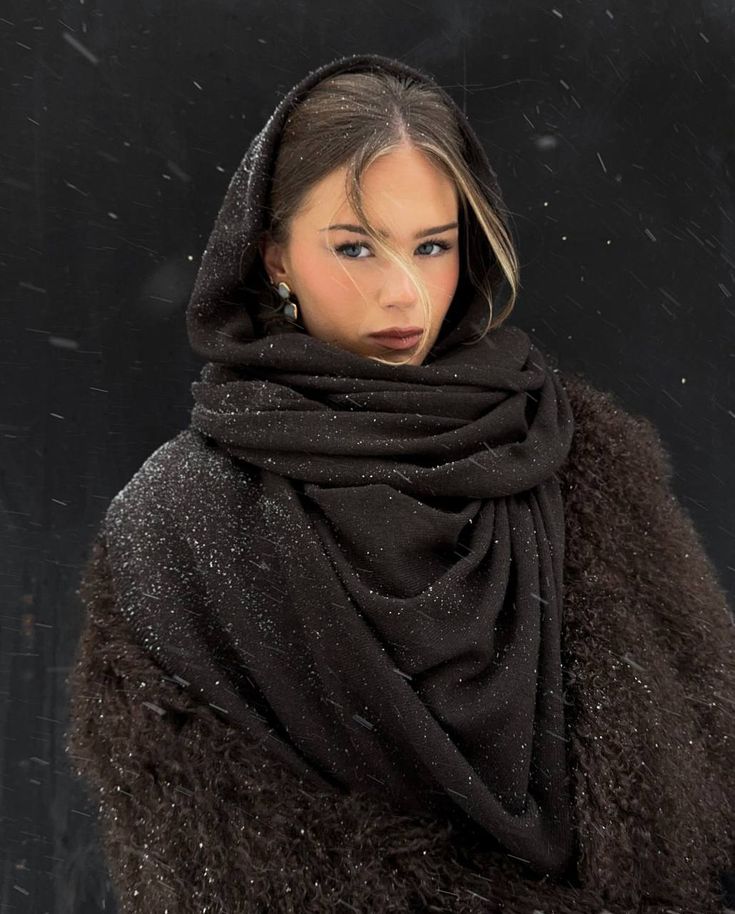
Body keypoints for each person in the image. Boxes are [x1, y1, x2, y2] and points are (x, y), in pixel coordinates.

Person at [64, 52, 735, 913]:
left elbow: (704, 779)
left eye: (432, 246)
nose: (403, 292)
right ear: (274, 257)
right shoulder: (179, 523)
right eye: (355, 247)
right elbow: (205, 864)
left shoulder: (578, 455)